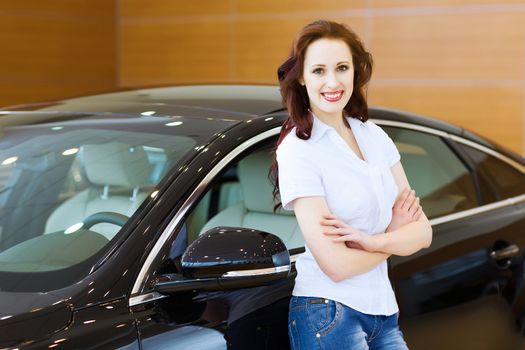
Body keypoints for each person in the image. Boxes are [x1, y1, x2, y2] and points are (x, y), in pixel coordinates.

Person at [271, 20, 432, 349]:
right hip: (327, 313)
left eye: (342, 68)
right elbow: (337, 265)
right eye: (318, 71)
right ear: (301, 77)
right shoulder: (298, 150)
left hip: (384, 312)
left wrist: (370, 242)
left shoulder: (373, 136)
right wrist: (392, 239)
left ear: (355, 71)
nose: (332, 82)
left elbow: (424, 232)